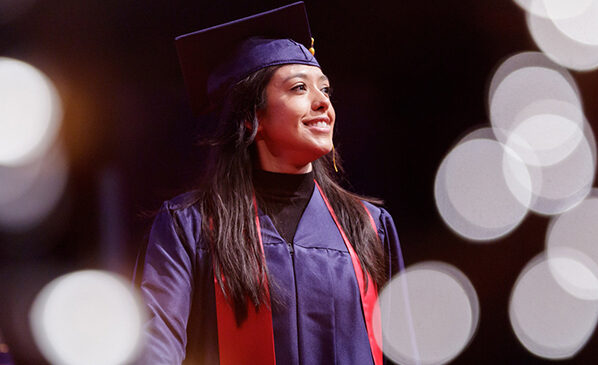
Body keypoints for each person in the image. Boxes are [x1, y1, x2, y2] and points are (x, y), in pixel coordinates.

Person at [136, 2, 406, 364]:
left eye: (325, 90)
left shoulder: (370, 227)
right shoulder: (191, 226)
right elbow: (155, 345)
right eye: (299, 88)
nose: (322, 103)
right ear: (251, 119)